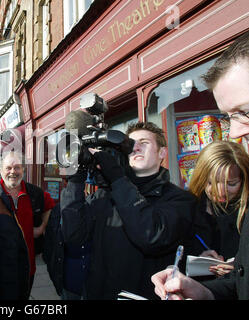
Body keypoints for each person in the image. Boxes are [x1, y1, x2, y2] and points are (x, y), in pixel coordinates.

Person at [152, 29, 249, 300]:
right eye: (230, 117)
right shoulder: (187, 207)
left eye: (246, 112)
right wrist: (200, 287)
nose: (233, 133)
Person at [60, 121, 196, 299]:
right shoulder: (103, 195)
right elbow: (73, 236)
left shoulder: (181, 199)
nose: (136, 148)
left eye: (144, 143)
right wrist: (75, 182)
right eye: (130, 144)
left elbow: (151, 237)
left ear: (162, 152)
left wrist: (117, 177)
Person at [0, 151, 55, 299]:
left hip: (27, 269)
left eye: (17, 167)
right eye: (8, 168)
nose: (13, 172)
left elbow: (50, 205)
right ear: (1, 170)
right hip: (0, 271)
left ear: (23, 170)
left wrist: (41, 227)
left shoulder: (35, 193)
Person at [188, 141, 249, 277]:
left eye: (231, 183)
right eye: (211, 183)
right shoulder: (188, 209)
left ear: (244, 179)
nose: (221, 192)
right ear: (200, 178)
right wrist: (198, 259)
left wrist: (239, 268)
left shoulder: (245, 212)